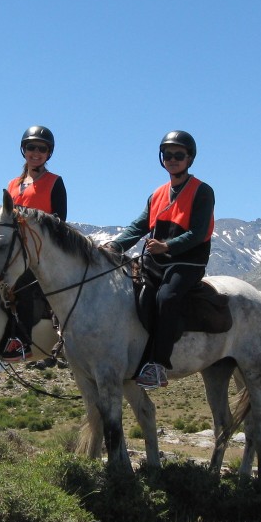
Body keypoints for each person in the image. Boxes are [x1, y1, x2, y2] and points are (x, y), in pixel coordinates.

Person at [104, 130, 214, 389]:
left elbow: (199, 233)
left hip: (187, 263)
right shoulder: (157, 194)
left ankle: (158, 364)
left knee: (166, 297)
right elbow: (139, 225)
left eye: (179, 155)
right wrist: (115, 245)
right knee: (132, 291)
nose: (172, 159)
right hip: (157, 261)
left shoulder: (203, 191)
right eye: (167, 154)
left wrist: (167, 246)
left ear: (190, 158)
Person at [1, 125, 67, 361]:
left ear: (49, 153)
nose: (36, 152)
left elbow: (60, 221)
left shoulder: (54, 182)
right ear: (24, 150)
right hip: (14, 250)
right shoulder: (12, 185)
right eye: (31, 147)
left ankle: (22, 341)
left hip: (41, 252)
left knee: (24, 282)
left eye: (42, 148)